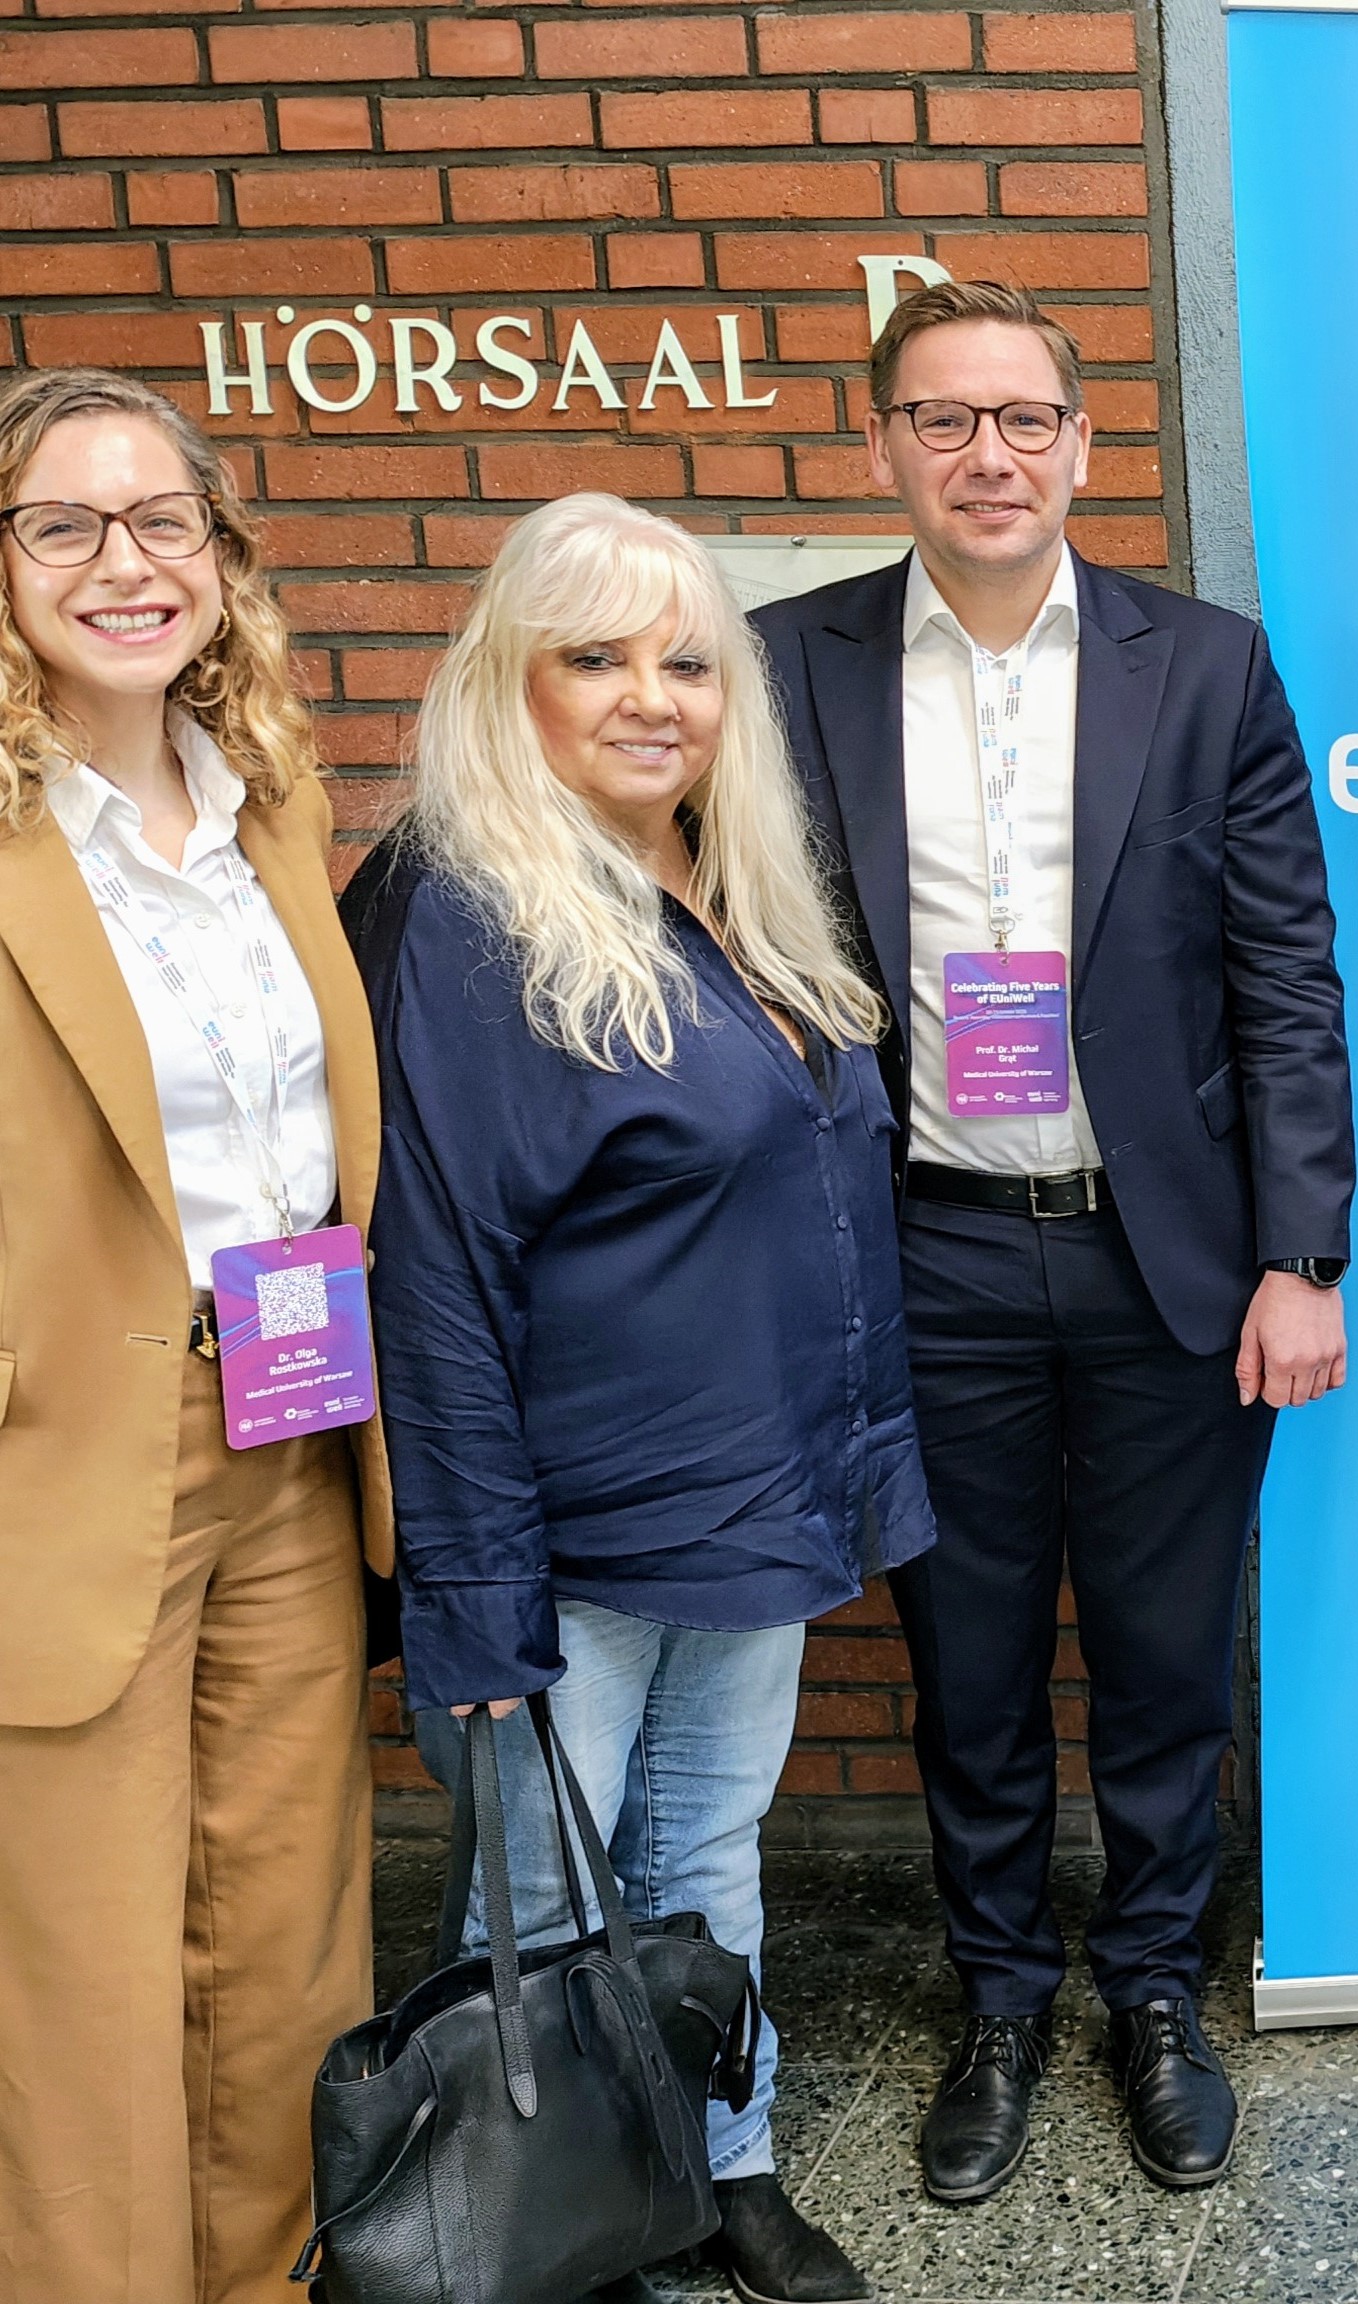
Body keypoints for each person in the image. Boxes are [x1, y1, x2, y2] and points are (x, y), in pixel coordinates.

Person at [747, 277, 1353, 2200]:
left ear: (1085, 448)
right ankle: (1000, 1996)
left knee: (1170, 1658)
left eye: (1024, 418)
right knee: (974, 1664)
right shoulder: (783, 667)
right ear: (884, 449)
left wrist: (1303, 1255)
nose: (987, 453)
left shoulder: (1210, 667)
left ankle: (1153, 1991)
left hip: (1163, 1258)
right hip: (920, 1260)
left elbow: (1285, 977)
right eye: (945, 419)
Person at [346, 493, 933, 2304]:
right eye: (591, 656)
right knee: (539, 1913)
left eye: (686, 657)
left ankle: (721, 2176)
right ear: (505, 679)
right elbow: (430, 1279)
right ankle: (550, 2225)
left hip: (751, 1496)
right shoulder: (456, 914)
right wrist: (480, 1595)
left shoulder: (734, 884)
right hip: (573, 1531)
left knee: (705, 1848)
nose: (649, 694)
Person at [0, 366, 387, 2304]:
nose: (123, 565)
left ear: (224, 562)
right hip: (68, 1460)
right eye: (62, 524)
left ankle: (269, 2275)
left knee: (283, 1933)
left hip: (292, 1426)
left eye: (165, 522)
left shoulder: (264, 798)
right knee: (80, 1966)